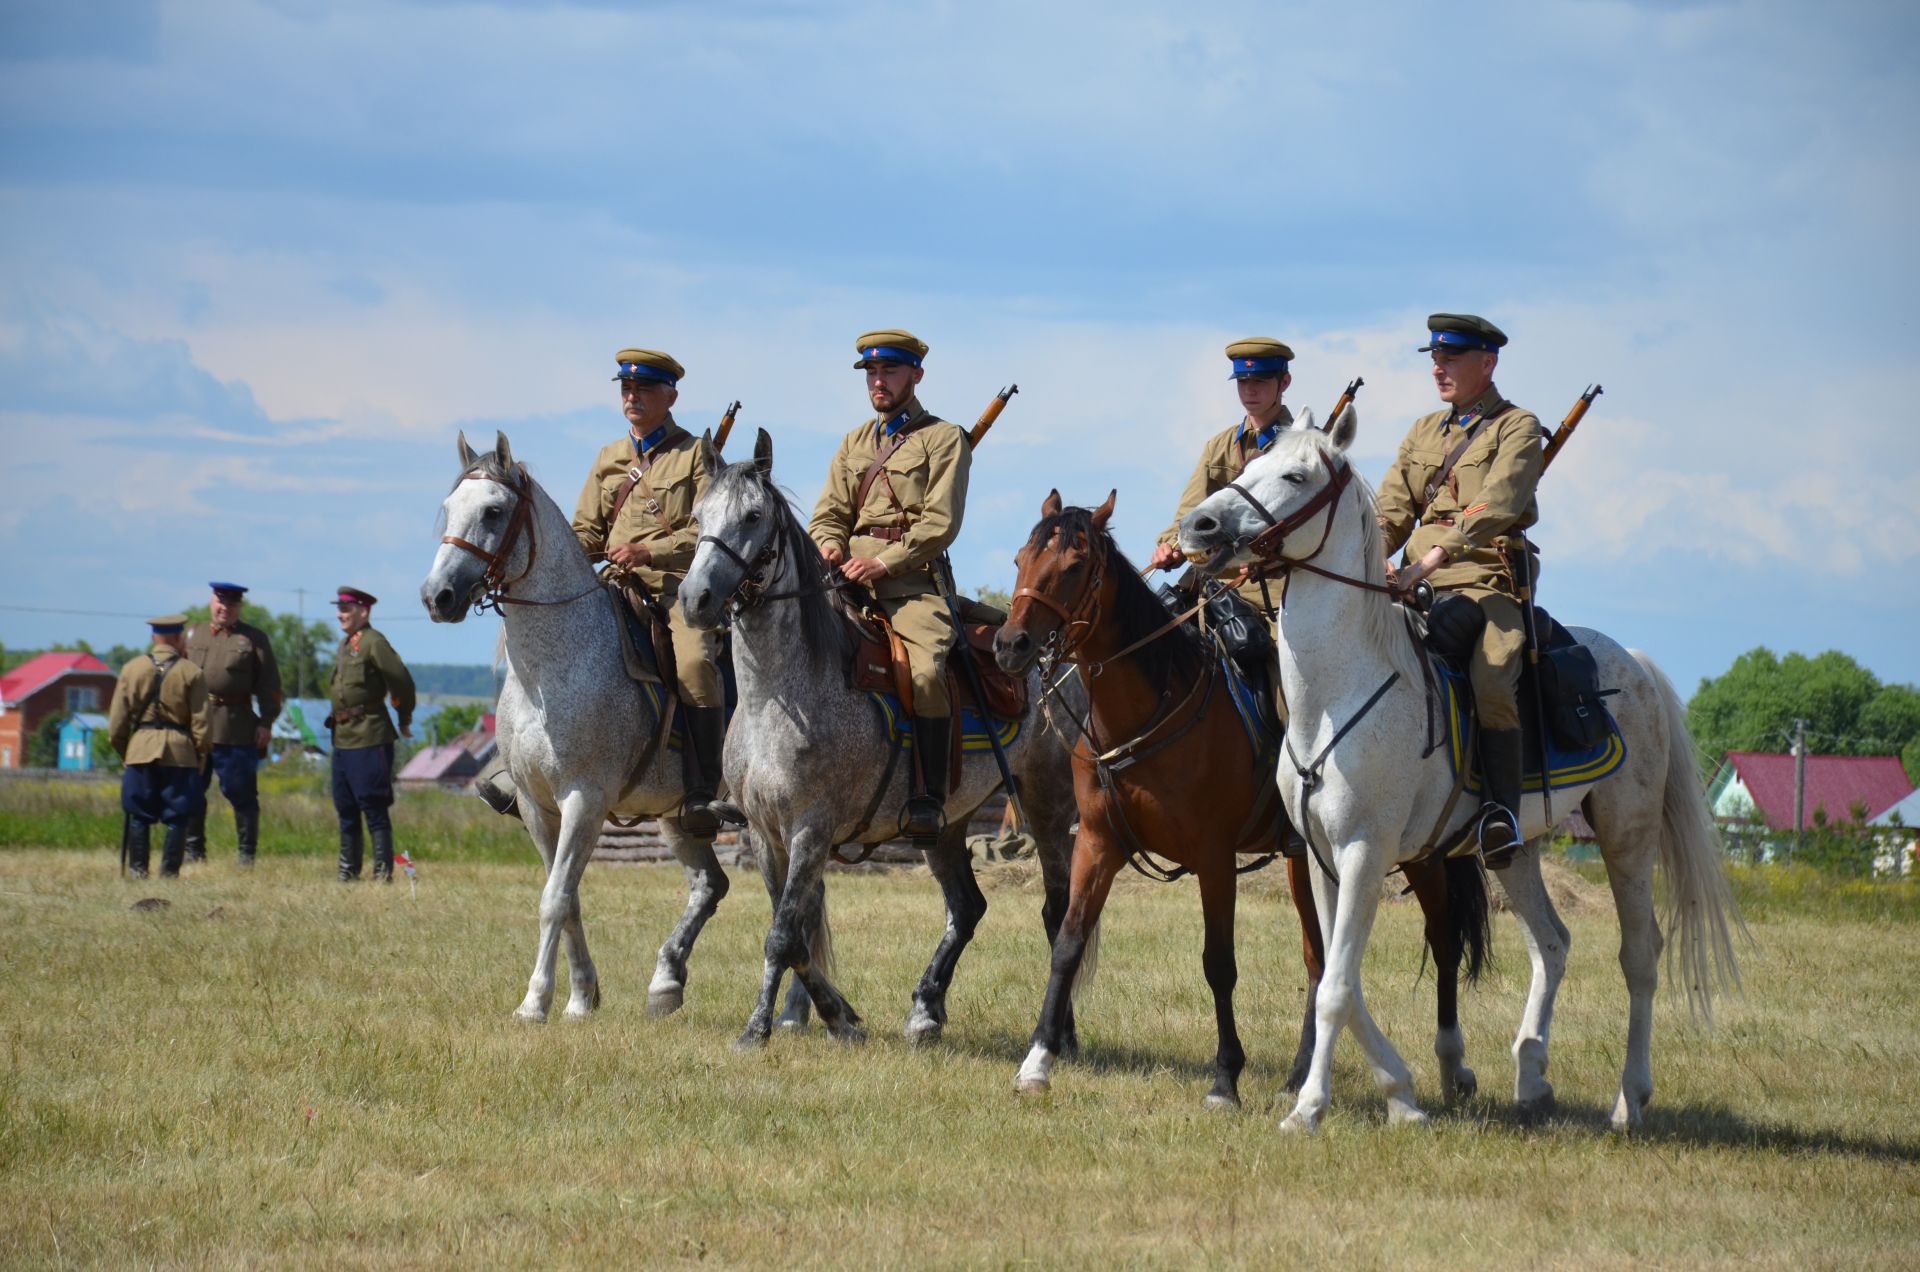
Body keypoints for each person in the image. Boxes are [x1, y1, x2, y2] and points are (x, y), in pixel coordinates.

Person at [1375, 313, 1546, 867]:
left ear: (1487, 363)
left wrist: (1429, 560)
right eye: (1434, 358)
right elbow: (1391, 509)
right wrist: (1375, 554)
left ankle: (1501, 815)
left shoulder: (1517, 427)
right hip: (1407, 579)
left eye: (1450, 359)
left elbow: (1496, 505)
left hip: (1482, 577)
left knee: (1493, 675)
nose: (1438, 368)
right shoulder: (1424, 431)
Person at [808, 329, 971, 839]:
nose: (879, 381)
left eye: (890, 372)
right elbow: (829, 514)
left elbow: (939, 525)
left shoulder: (944, 438)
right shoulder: (854, 442)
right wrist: (828, 546)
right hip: (842, 578)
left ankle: (927, 796)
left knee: (924, 675)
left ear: (916, 376)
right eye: (872, 373)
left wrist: (883, 562)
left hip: (909, 585)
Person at [569, 347, 726, 833]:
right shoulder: (609, 458)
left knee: (697, 665)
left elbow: (709, 533)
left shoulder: (697, 454)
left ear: (670, 395)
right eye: (626, 389)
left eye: (644, 389)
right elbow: (585, 533)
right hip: (614, 588)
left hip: (675, 590)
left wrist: (650, 553)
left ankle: (707, 786)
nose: (632, 397)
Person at [1150, 337, 1300, 615]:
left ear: (1285, 382)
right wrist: (1170, 547)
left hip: (1279, 590)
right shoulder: (1219, 447)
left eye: (1261, 382)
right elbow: (1191, 510)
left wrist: (1273, 560)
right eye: (1243, 382)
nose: (1250, 391)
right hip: (1213, 587)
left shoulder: (1304, 449)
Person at [182, 581, 282, 865]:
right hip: (197, 726)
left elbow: (271, 686)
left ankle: (246, 855)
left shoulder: (253, 639)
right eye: (220, 602)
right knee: (190, 789)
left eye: (232, 604)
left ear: (239, 607)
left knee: (242, 794)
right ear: (211, 601)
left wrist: (266, 722)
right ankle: (193, 851)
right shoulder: (192, 634)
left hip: (236, 728)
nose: (225, 608)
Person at [107, 614, 210, 878]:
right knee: (177, 815)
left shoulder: (131, 669)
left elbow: (117, 724)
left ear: (154, 637)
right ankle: (169, 873)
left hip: (140, 749)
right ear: (178, 638)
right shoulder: (192, 672)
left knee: (139, 813)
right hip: (180, 753)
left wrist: (125, 752)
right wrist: (200, 756)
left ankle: (138, 870)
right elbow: (202, 722)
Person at [327, 586, 416, 882]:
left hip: (369, 735)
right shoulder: (346, 644)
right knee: (346, 806)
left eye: (346, 609)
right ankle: (347, 871)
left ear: (363, 612)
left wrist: (404, 716)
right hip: (342, 737)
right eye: (338, 608)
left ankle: (381, 873)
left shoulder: (374, 642)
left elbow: (401, 680)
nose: (340, 614)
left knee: (373, 805)